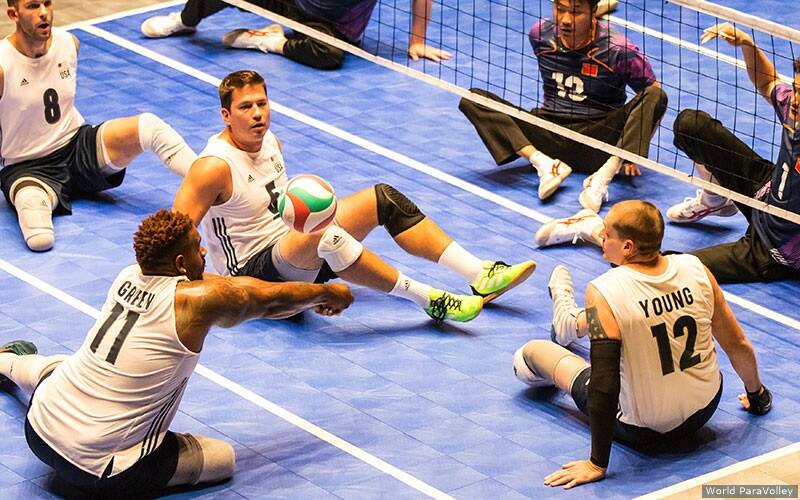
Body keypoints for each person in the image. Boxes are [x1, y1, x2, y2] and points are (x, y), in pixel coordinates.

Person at [0, 209, 354, 496]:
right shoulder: (194, 304)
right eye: (198, 246)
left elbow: (227, 285)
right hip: (100, 467)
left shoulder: (130, 273)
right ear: (182, 263)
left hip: (39, 427)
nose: (204, 252)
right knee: (222, 459)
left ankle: (6, 361)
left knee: (65, 369)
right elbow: (263, 299)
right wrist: (325, 293)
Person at [173, 70, 535, 323]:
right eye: (245, 107)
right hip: (250, 272)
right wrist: (203, 289)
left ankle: (479, 274)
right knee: (322, 234)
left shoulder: (271, 142)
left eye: (262, 104)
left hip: (292, 250)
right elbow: (174, 230)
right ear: (225, 115)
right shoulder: (213, 167)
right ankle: (431, 300)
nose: (257, 114)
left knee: (382, 198)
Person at [513, 200, 772, 489]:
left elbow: (603, 383)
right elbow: (737, 344)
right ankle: (571, 321)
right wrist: (757, 394)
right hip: (705, 409)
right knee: (619, 320)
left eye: (607, 234)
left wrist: (597, 463)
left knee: (532, 353)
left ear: (627, 247)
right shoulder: (696, 269)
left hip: (641, 430)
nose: (601, 237)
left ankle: (566, 321)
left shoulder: (602, 291)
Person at [0, 0, 197, 252]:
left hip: (77, 147)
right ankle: (41, 198)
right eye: (33, 6)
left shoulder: (69, 44)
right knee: (40, 239)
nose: (43, 13)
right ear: (13, 14)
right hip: (27, 167)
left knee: (149, 126)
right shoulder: (3, 65)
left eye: (47, 3)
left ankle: (211, 180)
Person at [458, 0, 665, 205]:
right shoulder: (540, 35)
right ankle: (544, 164)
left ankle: (603, 177)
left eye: (575, 12)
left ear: (594, 11)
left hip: (598, 141)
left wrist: (629, 152)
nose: (565, 20)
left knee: (656, 96)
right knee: (473, 99)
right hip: (548, 133)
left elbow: (652, 98)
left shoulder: (619, 49)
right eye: (560, 9)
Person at [664, 23, 800, 283]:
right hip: (765, 194)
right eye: (797, 89)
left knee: (673, 268)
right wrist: (748, 45)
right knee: (691, 126)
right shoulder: (792, 108)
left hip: (775, 249)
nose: (794, 100)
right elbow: (767, 81)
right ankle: (715, 200)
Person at [140, 0, 451, 70]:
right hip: (292, 5)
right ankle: (184, 20)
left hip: (332, 31)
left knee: (330, 56)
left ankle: (267, 41)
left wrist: (417, 40)